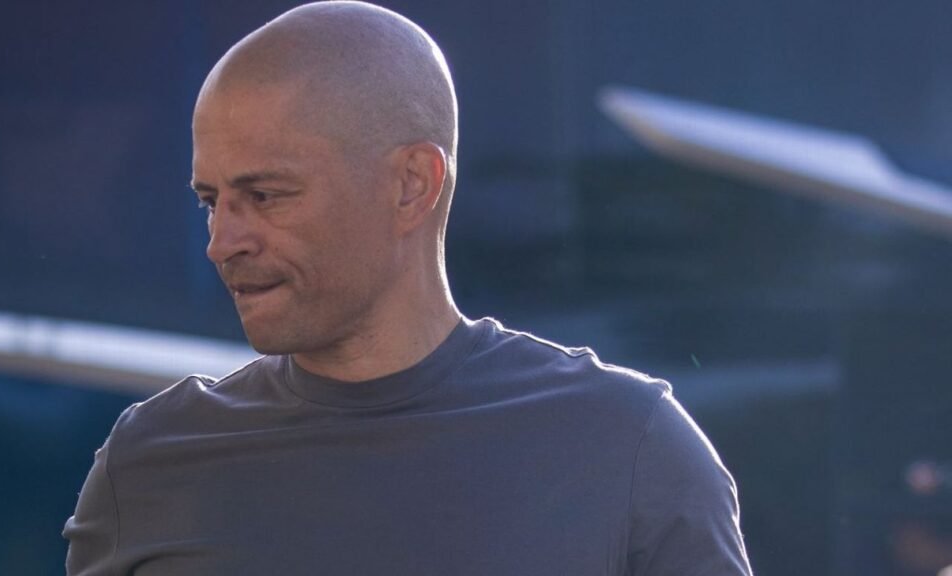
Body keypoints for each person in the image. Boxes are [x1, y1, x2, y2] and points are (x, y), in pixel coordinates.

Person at [63, 2, 754, 574]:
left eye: (266, 196)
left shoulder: (627, 451)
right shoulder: (152, 463)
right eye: (211, 202)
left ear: (411, 185)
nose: (223, 242)